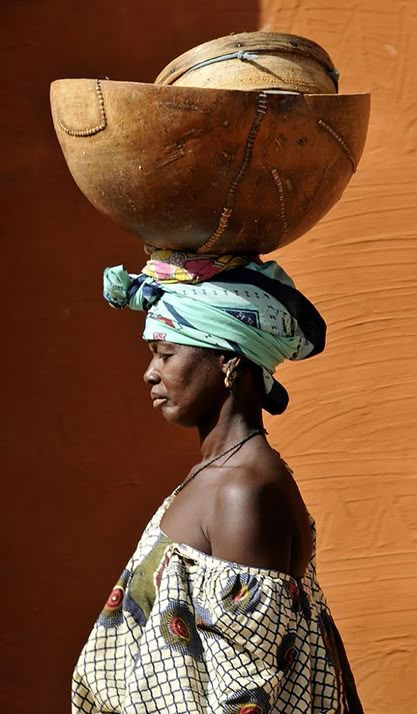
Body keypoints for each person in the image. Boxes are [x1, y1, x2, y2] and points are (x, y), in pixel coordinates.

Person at [72, 249, 363, 714]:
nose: (151, 373)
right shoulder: (217, 474)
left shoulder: (243, 493)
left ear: (229, 362)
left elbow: (245, 695)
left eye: (166, 354)